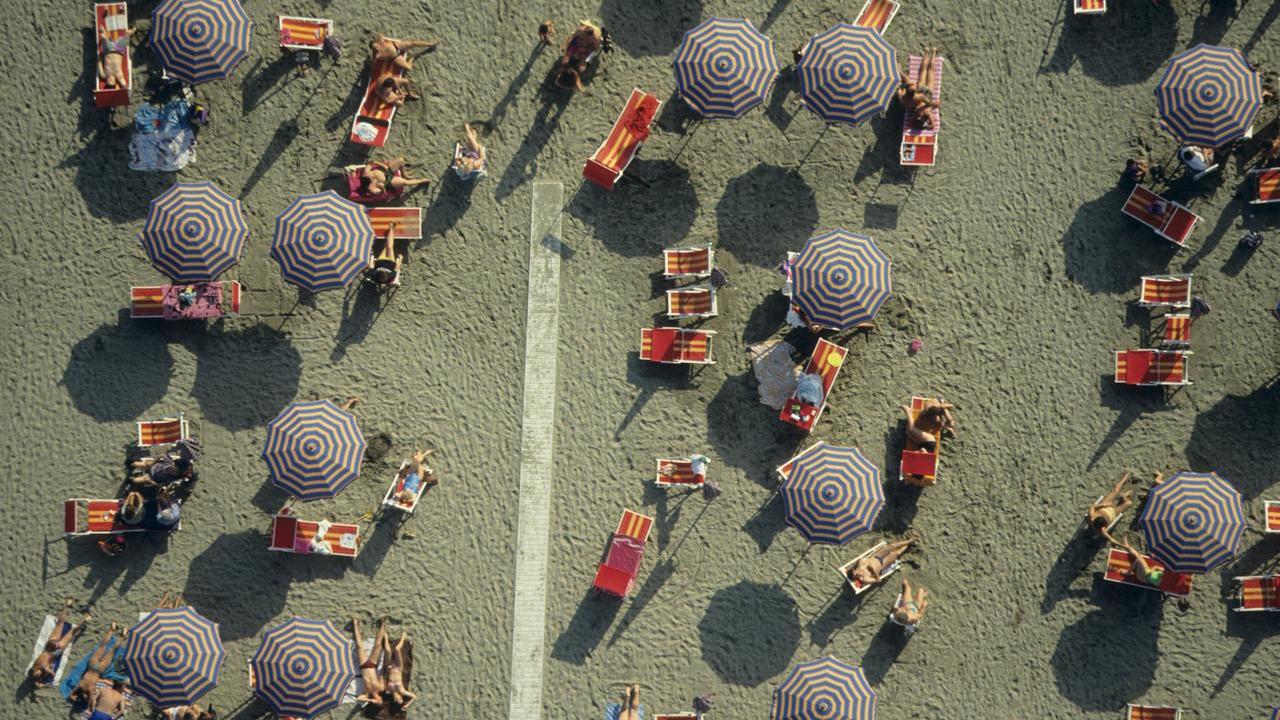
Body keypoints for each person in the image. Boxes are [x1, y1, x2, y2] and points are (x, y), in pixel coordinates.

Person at [28, 599, 89, 686]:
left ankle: (85, 619)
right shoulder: (35, 664)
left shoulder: (43, 668)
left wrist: (43, 683)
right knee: (60, 624)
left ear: (35, 671)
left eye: (37, 674)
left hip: (56, 650)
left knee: (72, 632)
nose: (38, 675)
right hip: (49, 645)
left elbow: (52, 674)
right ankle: (67, 605)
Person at [69, 623, 119, 705]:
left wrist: (83, 699)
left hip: (99, 670)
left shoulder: (89, 689)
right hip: (92, 666)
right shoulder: (80, 686)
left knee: (112, 651)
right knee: (102, 646)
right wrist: (74, 697)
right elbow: (71, 695)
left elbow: (89, 701)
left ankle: (123, 635)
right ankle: (112, 629)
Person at [347, 158, 430, 204]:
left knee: (400, 160)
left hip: (386, 171)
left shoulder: (366, 173)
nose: (372, 177)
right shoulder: (371, 188)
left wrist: (382, 165)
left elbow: (371, 163)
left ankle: (405, 174)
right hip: (388, 182)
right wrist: (382, 188)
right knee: (404, 182)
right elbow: (382, 194)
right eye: (372, 179)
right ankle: (421, 181)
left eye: (371, 176)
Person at [897, 48, 941, 129]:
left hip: (921, 91)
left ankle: (927, 52)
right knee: (930, 71)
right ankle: (933, 52)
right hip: (928, 93)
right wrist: (925, 126)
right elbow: (933, 126)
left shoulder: (916, 110)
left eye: (918, 117)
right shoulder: (927, 113)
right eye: (920, 118)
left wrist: (934, 104)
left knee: (923, 71)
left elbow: (911, 122)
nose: (919, 116)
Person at [849, 537, 916, 586]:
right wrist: (873, 570)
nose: (858, 574)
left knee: (892, 546)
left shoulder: (859, 566)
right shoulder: (865, 579)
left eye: (856, 572)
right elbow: (878, 580)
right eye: (856, 576)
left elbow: (860, 559)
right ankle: (908, 544)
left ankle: (909, 540)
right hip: (882, 563)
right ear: (855, 578)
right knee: (897, 553)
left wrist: (857, 566)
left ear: (855, 570)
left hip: (877, 555)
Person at [1087, 471, 1134, 541]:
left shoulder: (1092, 517)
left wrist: (1104, 504)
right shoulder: (1102, 529)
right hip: (1114, 512)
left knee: (1116, 490)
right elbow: (1111, 539)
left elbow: (1093, 506)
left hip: (1105, 506)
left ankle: (1124, 478)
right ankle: (1124, 496)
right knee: (1129, 503)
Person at [351, 617, 387, 705]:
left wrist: (370, 700)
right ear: (381, 698)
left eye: (376, 703)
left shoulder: (367, 694)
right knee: (378, 645)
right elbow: (382, 673)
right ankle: (383, 623)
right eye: (379, 701)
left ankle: (355, 622)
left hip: (363, 666)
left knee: (359, 645)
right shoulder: (381, 688)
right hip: (373, 664)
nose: (377, 701)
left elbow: (359, 698)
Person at [97, 9, 133, 90]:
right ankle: (133, 27)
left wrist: (100, 55)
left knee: (102, 36)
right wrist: (121, 91)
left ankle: (107, 16)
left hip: (108, 51)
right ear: (114, 82)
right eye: (111, 81)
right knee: (128, 34)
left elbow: (99, 63)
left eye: (108, 81)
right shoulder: (119, 76)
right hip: (118, 50)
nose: (109, 79)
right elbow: (125, 86)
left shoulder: (104, 75)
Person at [382, 631, 416, 709]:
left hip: (389, 667)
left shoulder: (388, 691)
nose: (400, 698)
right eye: (401, 699)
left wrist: (387, 670)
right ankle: (403, 637)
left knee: (387, 650)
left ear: (394, 700)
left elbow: (384, 678)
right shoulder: (402, 691)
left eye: (398, 700)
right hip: (398, 667)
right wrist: (407, 705)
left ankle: (386, 637)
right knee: (397, 649)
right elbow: (414, 697)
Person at [366, 223, 405, 287]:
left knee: (386, 246)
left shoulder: (374, 276)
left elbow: (371, 266)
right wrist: (400, 259)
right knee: (389, 247)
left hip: (381, 260)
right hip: (391, 261)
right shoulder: (391, 276)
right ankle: (391, 228)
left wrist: (371, 258)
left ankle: (390, 234)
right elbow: (397, 268)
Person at [370, 35, 437, 71]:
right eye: (375, 48)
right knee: (409, 68)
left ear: (377, 44)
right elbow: (373, 66)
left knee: (413, 43)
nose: (377, 48)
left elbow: (380, 35)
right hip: (395, 57)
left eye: (376, 46)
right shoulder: (376, 55)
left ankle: (430, 44)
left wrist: (378, 39)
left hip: (396, 46)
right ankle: (412, 58)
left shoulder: (380, 42)